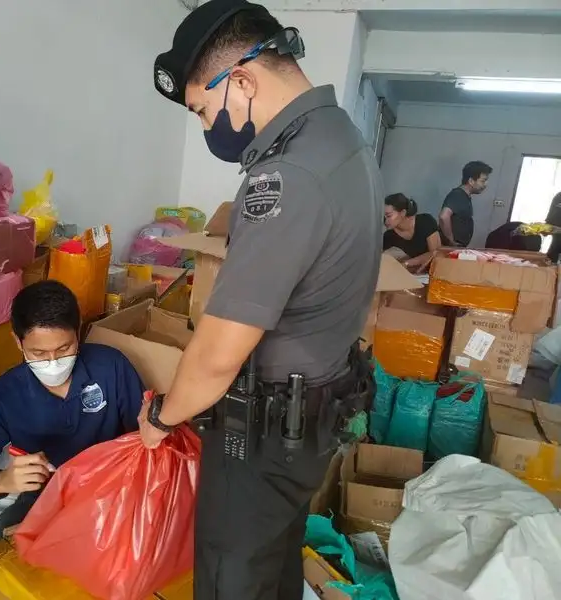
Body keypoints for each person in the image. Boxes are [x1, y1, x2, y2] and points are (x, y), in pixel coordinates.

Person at [147, 2, 381, 598]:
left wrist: (161, 418)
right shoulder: (342, 138)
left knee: (231, 578)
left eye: (203, 110)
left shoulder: (286, 176)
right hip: (312, 418)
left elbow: (218, 355)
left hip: (263, 437)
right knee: (272, 568)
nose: (207, 129)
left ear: (243, 81)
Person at [0, 280, 146, 597]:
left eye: (64, 349)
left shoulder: (110, 367)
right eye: (39, 353)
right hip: (46, 502)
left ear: (79, 332)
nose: (54, 362)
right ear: (18, 342)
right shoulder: (2, 396)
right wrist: (1, 482)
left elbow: (148, 448)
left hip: (116, 496)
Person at [438, 160, 493, 247]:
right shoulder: (457, 195)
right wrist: (451, 241)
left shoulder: (464, 196)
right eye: (483, 181)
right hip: (451, 247)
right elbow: (443, 216)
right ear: (471, 181)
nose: (486, 184)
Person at [383, 193, 441, 271]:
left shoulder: (426, 221)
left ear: (403, 212)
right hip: (409, 275)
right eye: (384, 216)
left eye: (389, 216)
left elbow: (437, 253)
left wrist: (407, 263)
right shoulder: (388, 236)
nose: (385, 221)